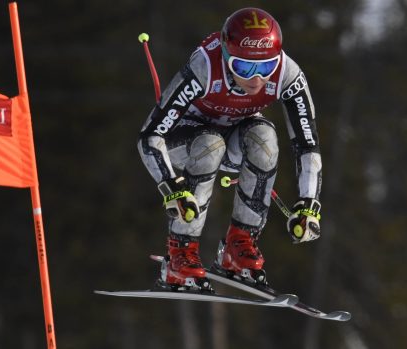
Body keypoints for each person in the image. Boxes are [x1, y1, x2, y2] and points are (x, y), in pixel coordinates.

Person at [138, 7, 323, 292]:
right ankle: (179, 256)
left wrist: (309, 202)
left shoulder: (288, 74)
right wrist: (169, 184)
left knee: (264, 137)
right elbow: (150, 136)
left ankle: (238, 248)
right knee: (210, 144)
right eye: (243, 67)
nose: (256, 78)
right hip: (183, 143)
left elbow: (307, 142)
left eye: (266, 67)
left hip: (232, 140)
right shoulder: (205, 66)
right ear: (226, 57)